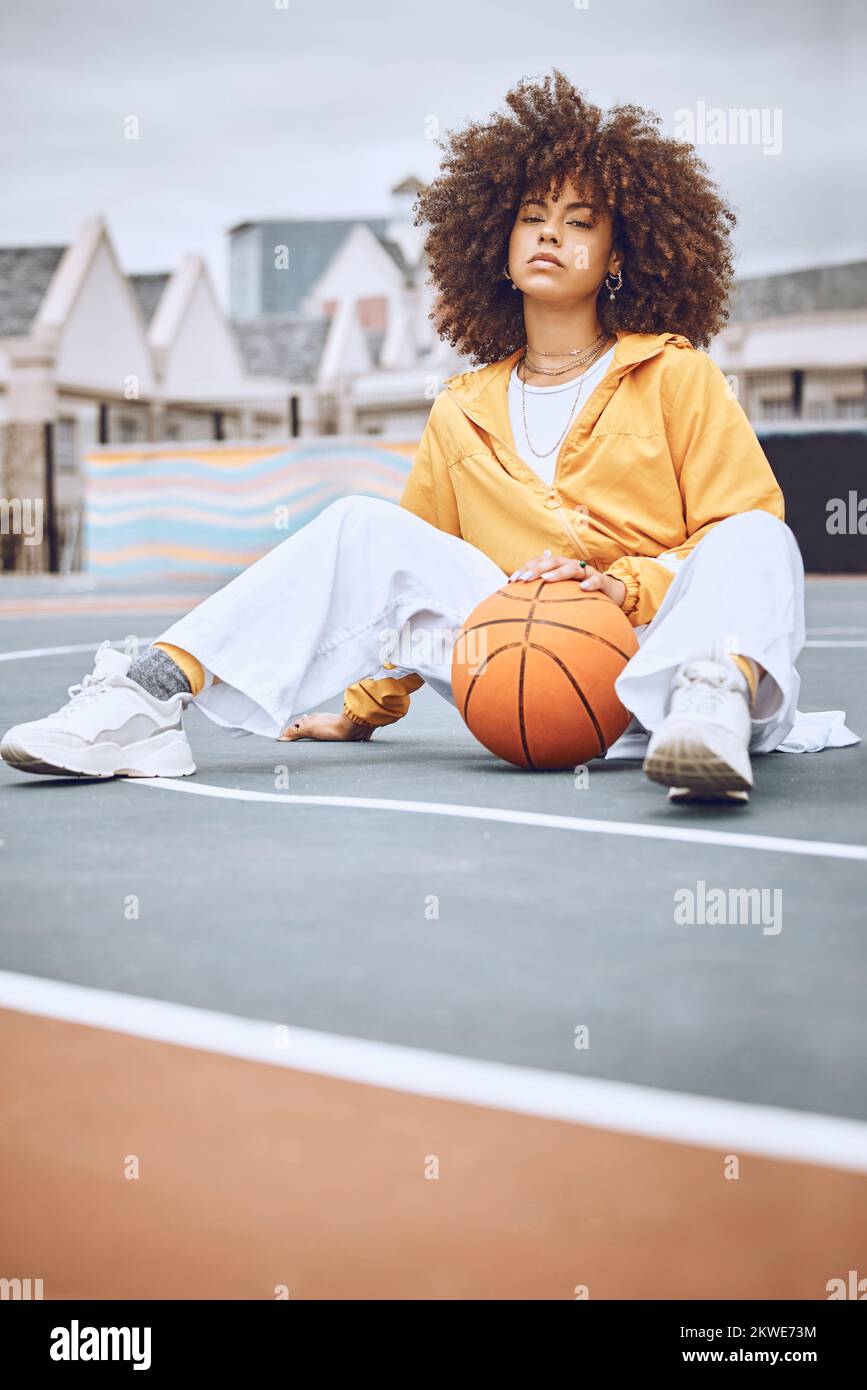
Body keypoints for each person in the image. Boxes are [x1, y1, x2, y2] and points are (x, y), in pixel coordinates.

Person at [1, 71, 856, 801]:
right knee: (361, 524)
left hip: (665, 656)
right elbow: (401, 580)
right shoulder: (462, 406)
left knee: (754, 533)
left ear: (622, 255)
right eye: (530, 215)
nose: (550, 232)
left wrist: (625, 587)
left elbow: (733, 537)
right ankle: (147, 699)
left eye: (580, 219)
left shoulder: (676, 373)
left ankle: (706, 711)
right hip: (528, 683)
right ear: (496, 241)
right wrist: (362, 708)